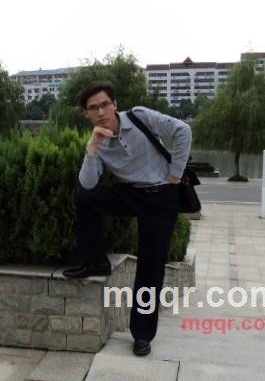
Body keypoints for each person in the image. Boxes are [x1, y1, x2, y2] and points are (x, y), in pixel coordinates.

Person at [62, 81, 192, 356]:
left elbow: (183, 130)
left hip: (161, 196)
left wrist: (175, 174)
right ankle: (95, 262)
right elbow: (88, 183)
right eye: (93, 108)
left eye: (104, 105)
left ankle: (142, 334)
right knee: (86, 198)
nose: (100, 112)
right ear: (87, 114)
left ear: (115, 104)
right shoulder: (98, 141)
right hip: (131, 194)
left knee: (150, 267)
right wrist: (92, 146)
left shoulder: (140, 116)